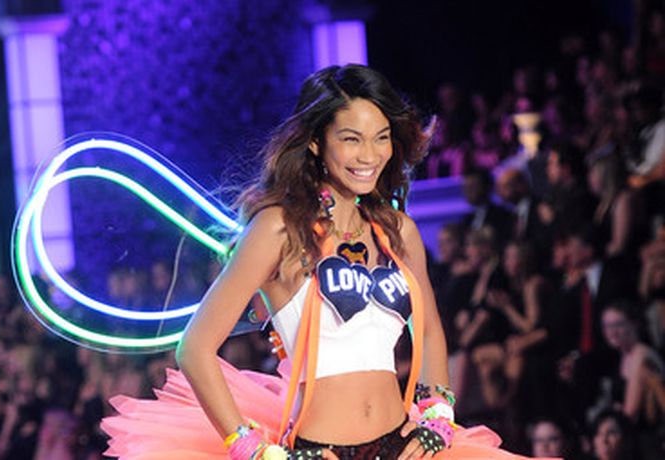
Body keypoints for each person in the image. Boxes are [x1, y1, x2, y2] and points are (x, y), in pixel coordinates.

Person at [101, 65, 556, 459]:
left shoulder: (399, 230)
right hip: (319, 449)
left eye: (381, 138)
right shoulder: (279, 228)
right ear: (316, 142)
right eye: (352, 139)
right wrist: (251, 448)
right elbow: (195, 347)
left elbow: (429, 330)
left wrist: (438, 413)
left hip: (403, 445)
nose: (370, 156)